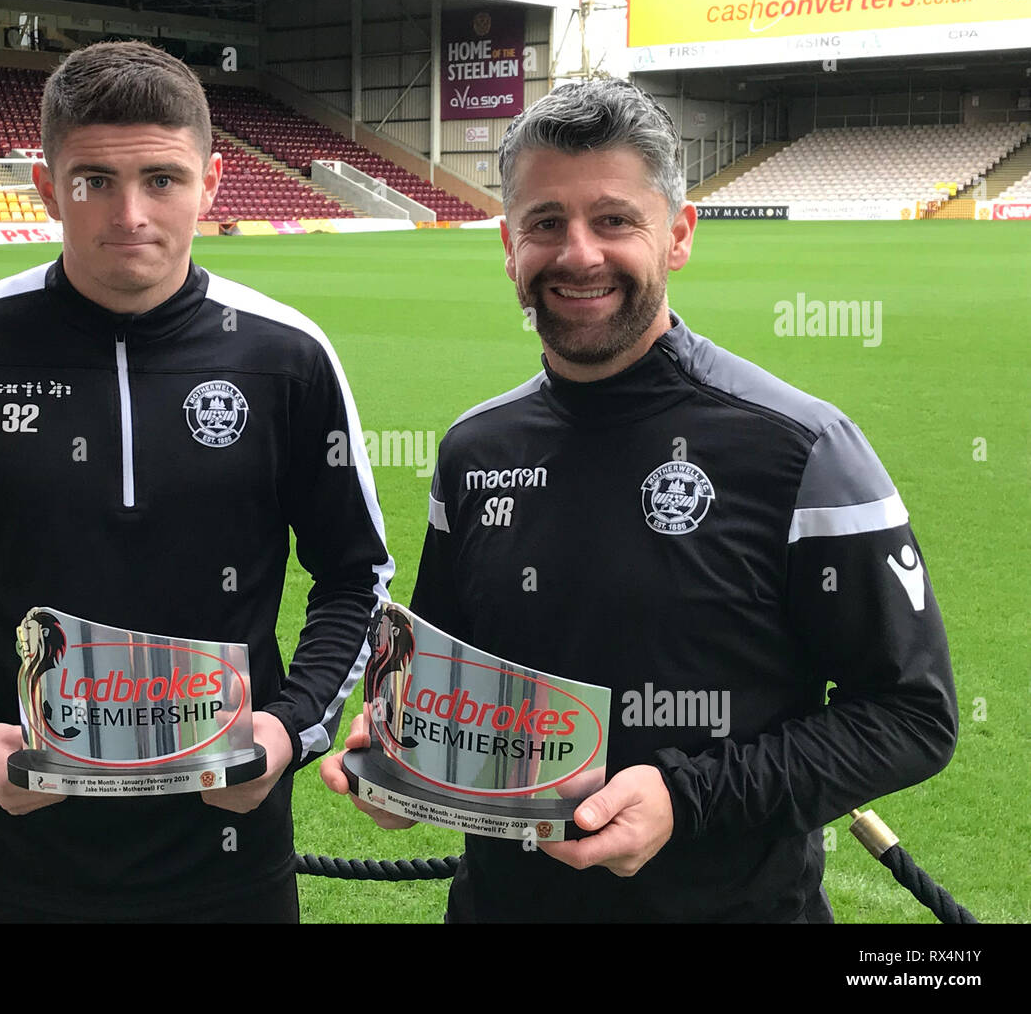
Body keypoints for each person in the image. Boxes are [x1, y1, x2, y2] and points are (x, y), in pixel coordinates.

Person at [321, 78, 958, 923]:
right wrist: (405, 764)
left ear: (679, 235)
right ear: (509, 244)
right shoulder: (475, 451)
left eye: (614, 220)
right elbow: (444, 683)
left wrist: (685, 799)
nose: (578, 253)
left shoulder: (802, 447)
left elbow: (912, 714)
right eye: (546, 222)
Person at [0, 41, 392, 922]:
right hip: (27, 850)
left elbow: (354, 574)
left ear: (212, 183)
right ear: (44, 183)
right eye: (94, 180)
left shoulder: (286, 356)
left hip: (230, 850)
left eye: (163, 180)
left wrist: (286, 728)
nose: (130, 213)